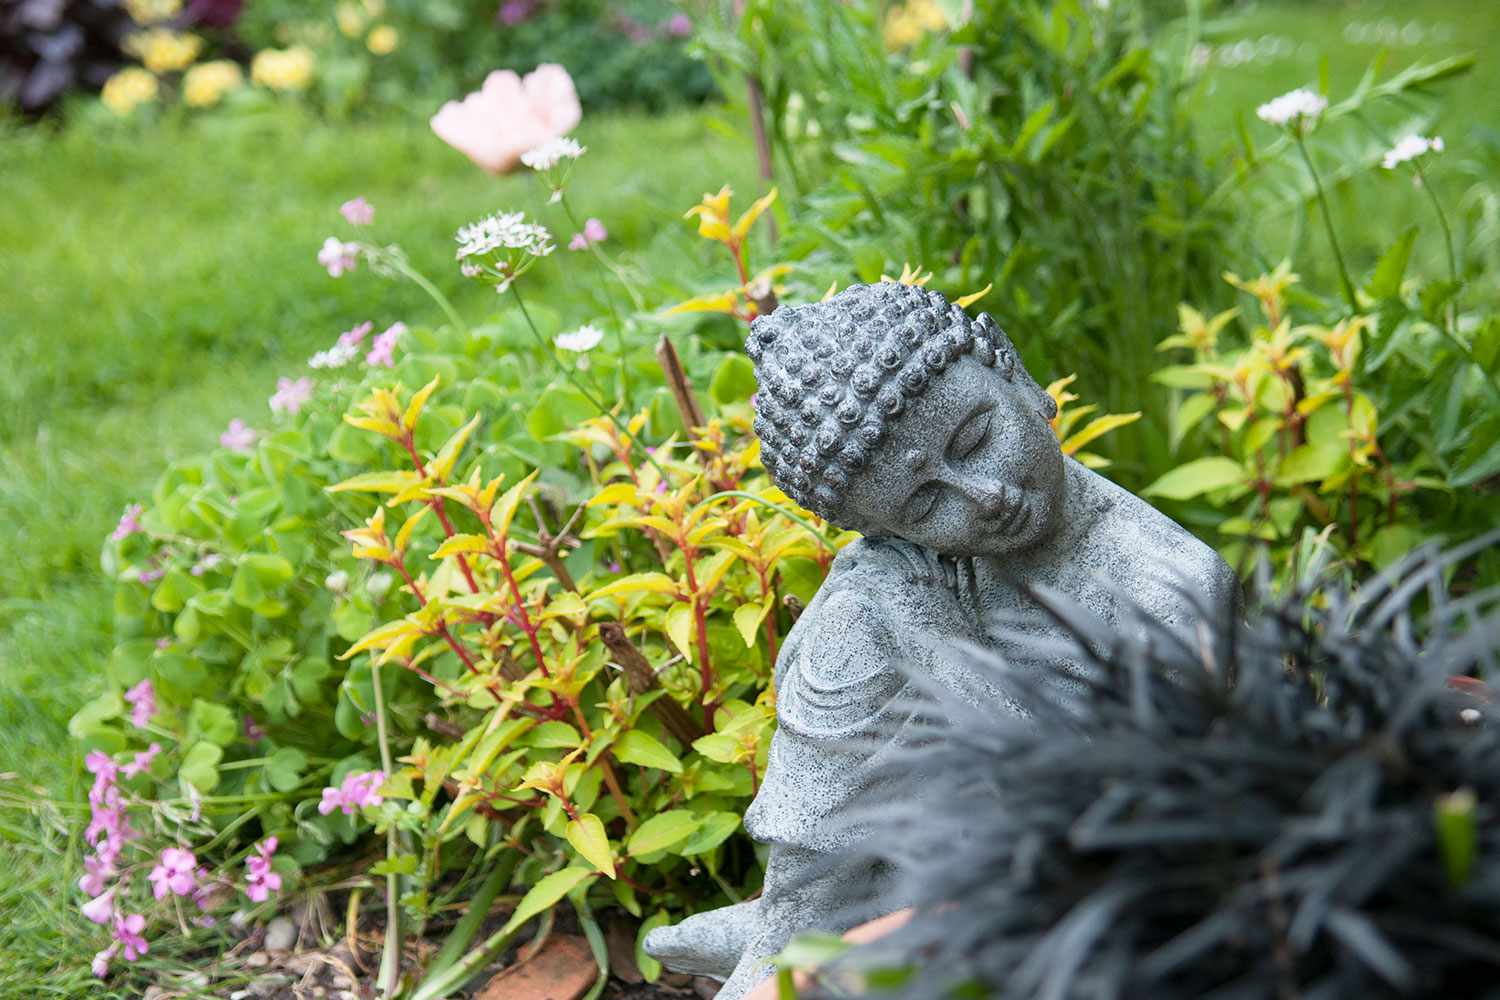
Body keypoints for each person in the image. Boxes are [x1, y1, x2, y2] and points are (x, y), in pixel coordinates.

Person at [645, 282, 1240, 998]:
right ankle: (798, 914)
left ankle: (821, 938)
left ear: (1014, 373)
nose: (985, 496)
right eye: (924, 503)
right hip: (948, 838)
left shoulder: (1168, 585)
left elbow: (1094, 811)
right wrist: (887, 615)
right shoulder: (926, 556)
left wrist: (935, 646)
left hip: (1091, 890)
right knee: (860, 613)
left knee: (893, 616)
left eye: (976, 440)